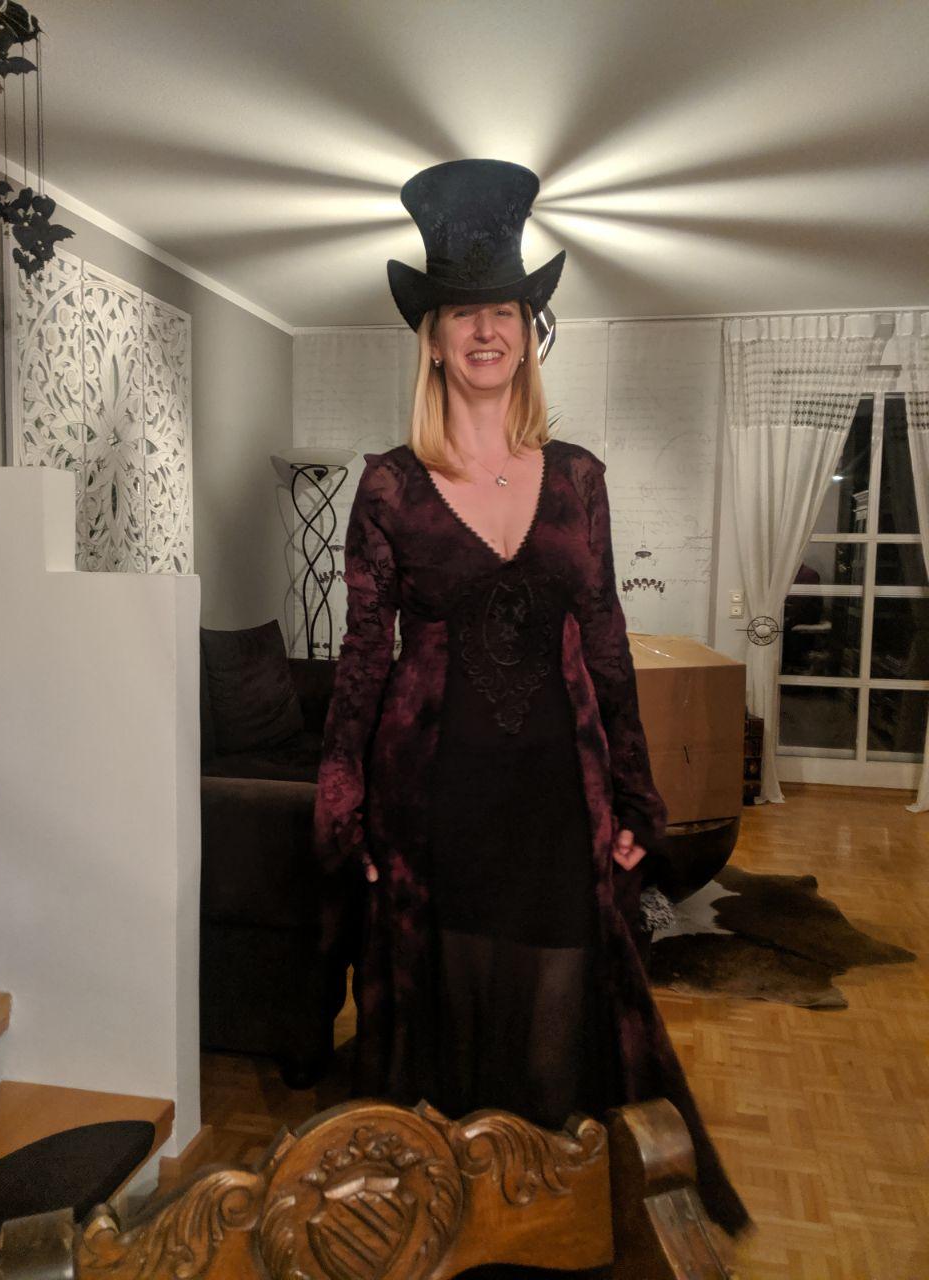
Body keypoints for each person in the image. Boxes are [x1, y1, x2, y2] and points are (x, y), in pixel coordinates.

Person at [313, 159, 749, 1238]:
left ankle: (544, 1232)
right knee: (446, 1021)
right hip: (434, 806)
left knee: (556, 1027)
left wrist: (638, 795)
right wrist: (342, 799)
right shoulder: (389, 484)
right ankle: (449, 1230)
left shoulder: (580, 478)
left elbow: (605, 640)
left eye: (503, 308)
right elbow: (363, 656)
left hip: (558, 800)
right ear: (432, 338)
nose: (485, 329)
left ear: (528, 330)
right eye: (463, 312)